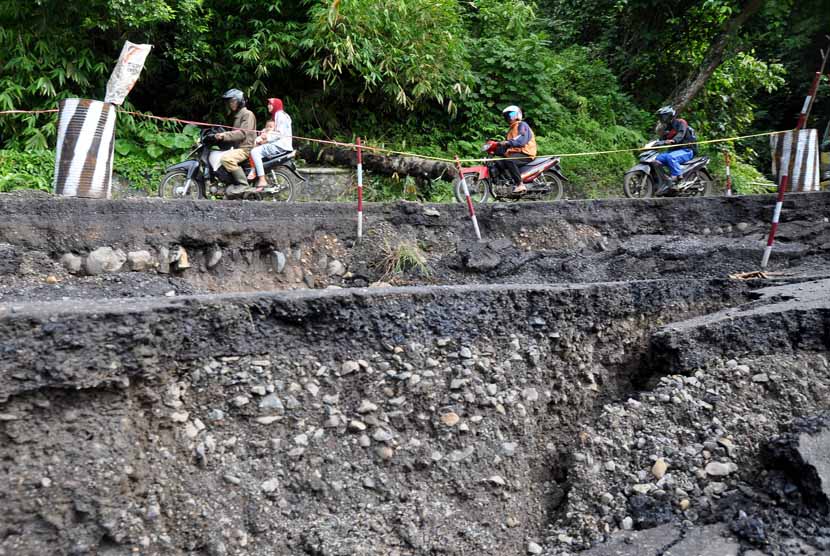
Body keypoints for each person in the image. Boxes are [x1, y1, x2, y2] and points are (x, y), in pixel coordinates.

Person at [214, 88, 257, 196]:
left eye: (233, 101)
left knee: (226, 158)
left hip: (245, 148)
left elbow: (242, 133)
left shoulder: (247, 114)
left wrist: (224, 136)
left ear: (240, 101)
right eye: (230, 102)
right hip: (239, 148)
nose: (231, 104)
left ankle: (243, 185)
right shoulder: (238, 116)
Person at [248, 98, 293, 189]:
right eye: (268, 104)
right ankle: (256, 174)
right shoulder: (280, 115)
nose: (268, 106)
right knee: (257, 147)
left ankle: (262, 179)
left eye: (270, 104)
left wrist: (266, 137)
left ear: (276, 105)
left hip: (280, 145)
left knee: (255, 152)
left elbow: (279, 133)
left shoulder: (279, 115)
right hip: (281, 144)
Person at [654, 105, 698, 194]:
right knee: (656, 159)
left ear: (670, 115)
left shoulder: (681, 122)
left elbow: (680, 135)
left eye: (664, 116)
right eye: (661, 116)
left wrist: (673, 140)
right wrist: (652, 144)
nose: (662, 118)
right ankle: (667, 180)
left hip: (687, 150)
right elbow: (661, 139)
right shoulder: (667, 128)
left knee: (670, 157)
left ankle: (680, 178)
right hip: (674, 151)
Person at [494, 105, 537, 194]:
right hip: (516, 153)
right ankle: (507, 183)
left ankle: (520, 184)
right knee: (498, 163)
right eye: (507, 116)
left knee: (510, 160)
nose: (509, 117)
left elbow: (521, 140)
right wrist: (495, 148)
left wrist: (507, 143)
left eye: (511, 114)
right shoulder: (511, 129)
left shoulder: (522, 125)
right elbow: (507, 145)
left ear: (517, 115)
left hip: (526, 153)